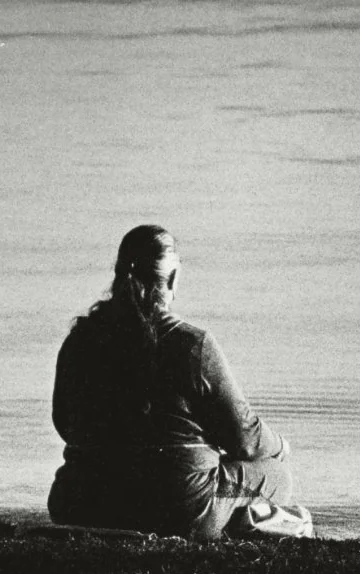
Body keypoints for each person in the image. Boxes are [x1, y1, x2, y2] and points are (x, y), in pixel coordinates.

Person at [48, 224, 308, 539]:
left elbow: (64, 424)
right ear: (172, 278)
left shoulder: (80, 340)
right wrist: (279, 446)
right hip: (176, 511)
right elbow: (244, 436)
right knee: (277, 476)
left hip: (80, 503)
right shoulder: (192, 345)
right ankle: (235, 522)